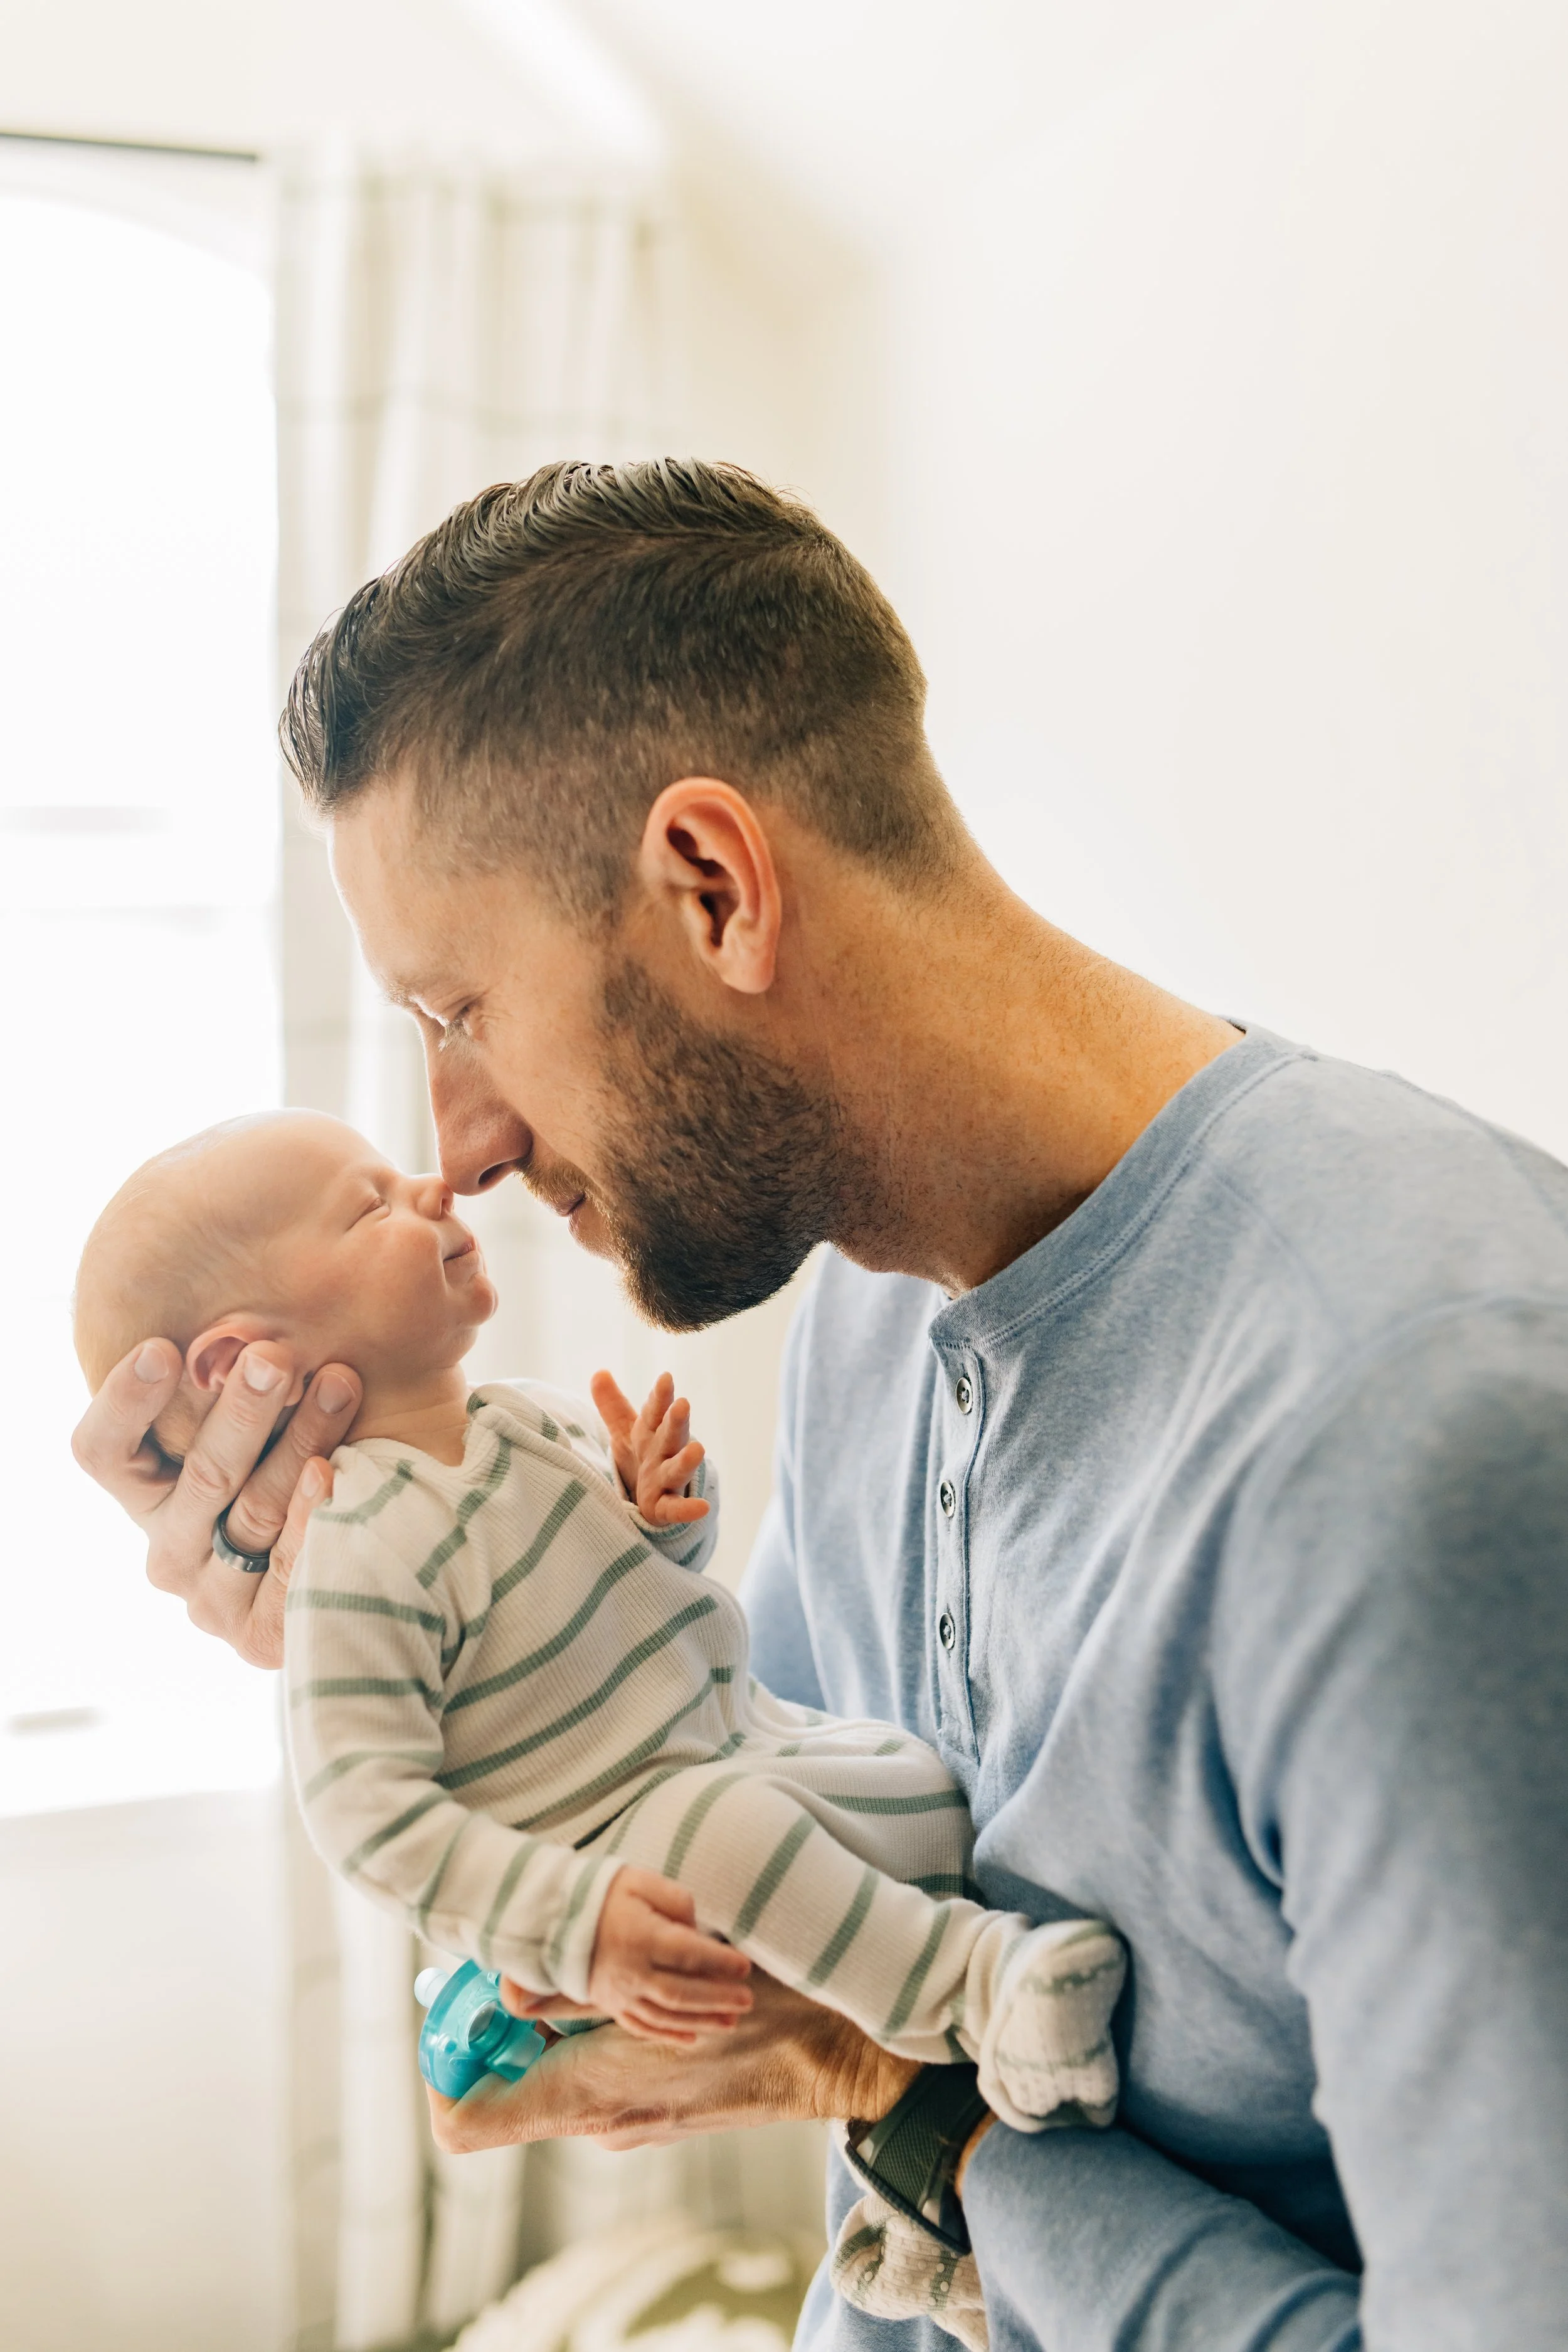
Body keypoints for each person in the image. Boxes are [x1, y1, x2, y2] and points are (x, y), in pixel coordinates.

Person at [73, 460, 1568, 2351]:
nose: (455, 1144)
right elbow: (657, 1866)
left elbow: (841, 2058)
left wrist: (920, 2119)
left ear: (714, 887)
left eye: (458, 1012)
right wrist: (391, 1645)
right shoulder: (872, 1295)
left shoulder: (1428, 1435)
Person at [73, 1111, 1125, 2194]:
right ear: (239, 1362)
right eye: (368, 1204)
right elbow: (363, 1811)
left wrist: (666, 1512)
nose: (435, 1187)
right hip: (619, 1840)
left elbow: (641, 1583)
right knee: (724, 1836)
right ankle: (983, 1994)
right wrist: (571, 1925)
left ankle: (944, 2144)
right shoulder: (357, 1543)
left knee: (914, 1781)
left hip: (737, 1738)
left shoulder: (522, 1418)